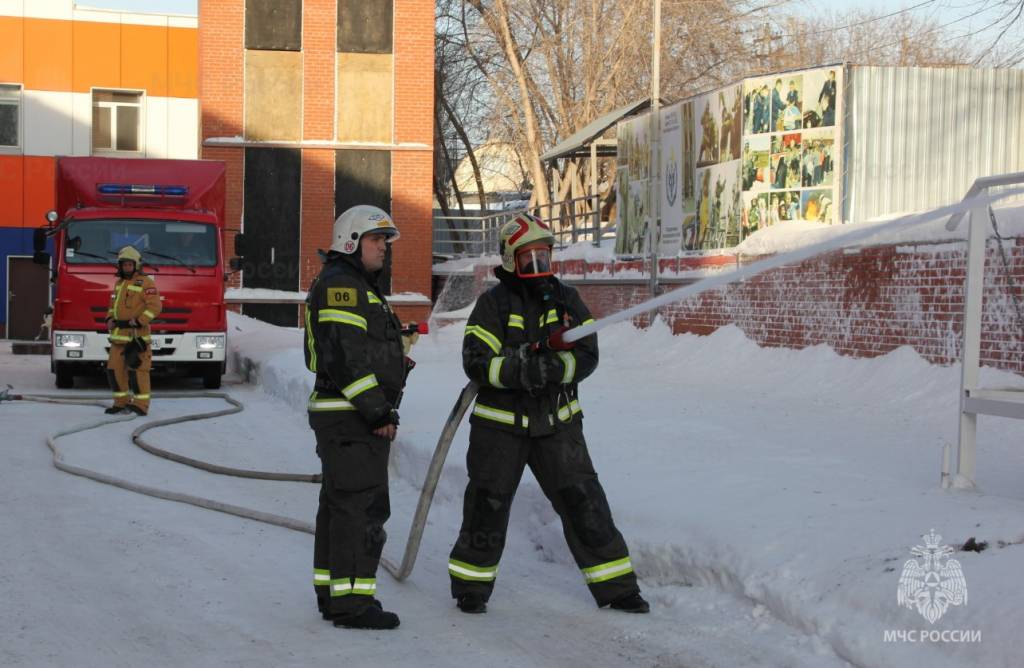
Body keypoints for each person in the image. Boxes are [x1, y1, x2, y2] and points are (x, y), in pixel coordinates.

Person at [447, 213, 649, 616]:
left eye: (544, 255)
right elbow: (475, 362)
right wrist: (522, 369)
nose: (539, 265)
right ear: (510, 261)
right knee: (487, 505)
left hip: (557, 426)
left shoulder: (566, 300)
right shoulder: (492, 305)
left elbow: (587, 354)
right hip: (499, 429)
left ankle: (618, 587)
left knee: (585, 502)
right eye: (529, 257)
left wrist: (557, 368)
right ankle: (471, 586)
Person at [303, 205, 407, 630]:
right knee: (360, 510)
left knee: (340, 507)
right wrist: (377, 409)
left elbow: (355, 348)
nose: (384, 247)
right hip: (351, 416)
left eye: (385, 240)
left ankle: (334, 595)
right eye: (376, 239)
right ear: (351, 241)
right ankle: (353, 603)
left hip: (346, 414)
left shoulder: (352, 285)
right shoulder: (342, 285)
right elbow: (344, 357)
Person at [104, 246, 161, 416]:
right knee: (114, 372)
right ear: (119, 266)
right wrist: (108, 319)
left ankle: (140, 405)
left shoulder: (146, 283)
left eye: (130, 264)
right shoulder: (119, 284)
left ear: (136, 265)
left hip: (137, 338)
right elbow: (112, 307)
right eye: (124, 265)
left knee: (139, 372)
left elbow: (155, 306)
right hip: (118, 339)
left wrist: (139, 321)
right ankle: (120, 403)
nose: (127, 267)